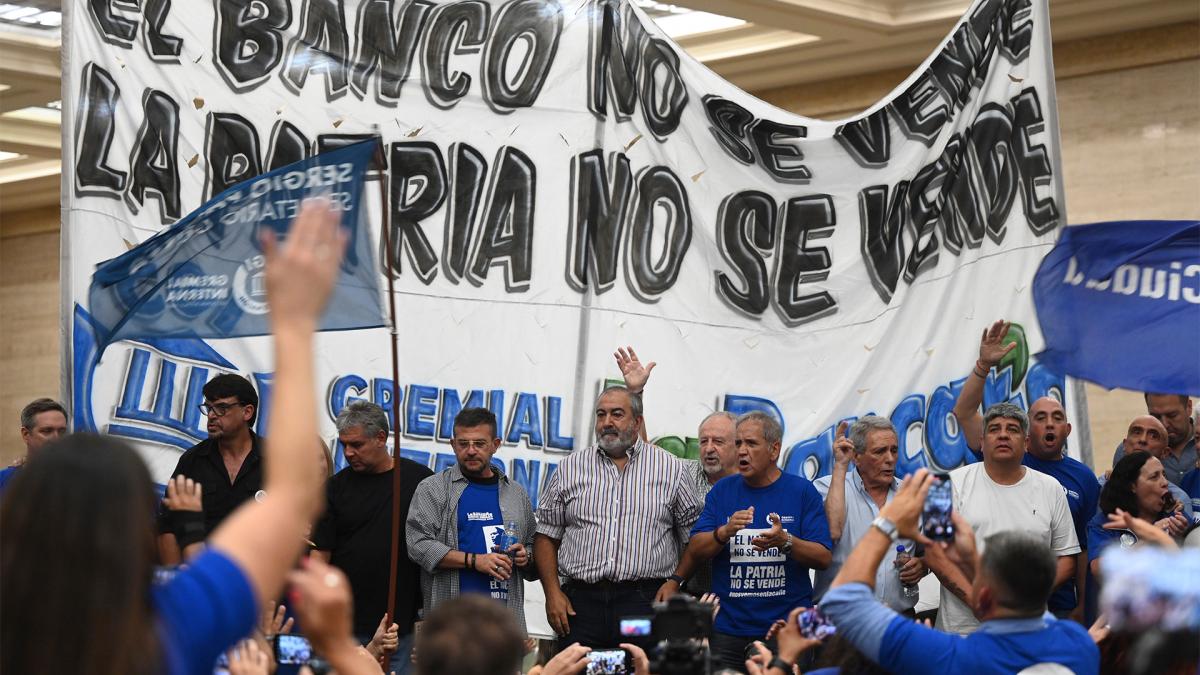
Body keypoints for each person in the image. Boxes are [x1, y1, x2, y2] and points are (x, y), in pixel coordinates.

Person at [0, 197, 345, 674]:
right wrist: (294, 323)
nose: (211, 416)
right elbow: (295, 497)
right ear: (131, 529)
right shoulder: (173, 622)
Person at [818, 469, 1099, 675]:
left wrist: (887, 522)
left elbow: (843, 600)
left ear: (984, 598)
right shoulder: (1081, 646)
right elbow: (1019, 603)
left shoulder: (952, 658)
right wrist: (970, 558)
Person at [657, 411, 832, 672]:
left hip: (785, 630)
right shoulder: (722, 491)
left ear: (774, 450)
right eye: (738, 443)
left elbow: (823, 558)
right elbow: (696, 549)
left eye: (751, 443)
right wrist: (723, 532)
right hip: (728, 630)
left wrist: (785, 541)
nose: (742, 451)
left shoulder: (802, 491)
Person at [534, 384, 702, 650]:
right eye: (601, 415)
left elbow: (694, 538)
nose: (606, 422)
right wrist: (552, 593)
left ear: (637, 422)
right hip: (580, 607)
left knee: (635, 667)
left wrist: (675, 581)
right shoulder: (570, 468)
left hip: (641, 604)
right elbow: (546, 535)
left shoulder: (671, 470)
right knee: (581, 669)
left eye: (616, 414)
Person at [952, 321, 1100, 620]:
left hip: (1047, 610)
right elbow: (934, 552)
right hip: (966, 621)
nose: (1003, 435)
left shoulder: (1071, 481)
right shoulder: (955, 479)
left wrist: (1082, 606)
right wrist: (982, 366)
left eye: (1056, 417)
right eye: (1040, 417)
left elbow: (1079, 553)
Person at [930, 402, 1080, 634]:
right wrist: (977, 601)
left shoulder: (1052, 487)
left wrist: (1023, 603)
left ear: (1027, 443)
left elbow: (1067, 558)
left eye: (1012, 429)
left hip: (1029, 628)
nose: (1002, 435)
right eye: (994, 429)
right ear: (981, 442)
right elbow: (932, 554)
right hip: (961, 633)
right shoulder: (940, 484)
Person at [312, 399, 433, 673]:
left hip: (400, 627)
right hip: (344, 629)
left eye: (356, 445)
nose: (348, 453)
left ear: (381, 438)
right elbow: (319, 559)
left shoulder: (420, 481)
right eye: (344, 445)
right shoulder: (334, 489)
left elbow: (436, 550)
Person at [407, 407, 537, 633]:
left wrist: (526, 556)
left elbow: (534, 548)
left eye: (479, 443)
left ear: (495, 444)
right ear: (452, 444)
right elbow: (418, 545)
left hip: (503, 629)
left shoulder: (516, 494)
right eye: (463, 443)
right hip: (449, 626)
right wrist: (475, 561)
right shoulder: (433, 489)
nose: (471, 451)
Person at [813, 416, 925, 614]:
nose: (890, 459)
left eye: (894, 450)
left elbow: (928, 553)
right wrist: (840, 466)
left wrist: (922, 566)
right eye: (880, 451)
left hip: (899, 622)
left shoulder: (912, 495)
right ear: (856, 457)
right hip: (841, 624)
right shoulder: (828, 487)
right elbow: (833, 530)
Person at [156, 373, 265, 564]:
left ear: (247, 412)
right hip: (199, 579)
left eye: (222, 408)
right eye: (209, 408)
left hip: (257, 583)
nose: (212, 415)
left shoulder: (275, 462)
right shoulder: (193, 461)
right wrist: (177, 581)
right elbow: (168, 527)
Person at [1085, 451, 1188, 623]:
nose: (1165, 483)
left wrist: (1184, 536)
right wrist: (1150, 537)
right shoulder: (1106, 522)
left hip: (1167, 627)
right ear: (1132, 486)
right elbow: (1101, 571)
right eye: (1154, 477)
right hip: (1117, 628)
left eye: (1164, 475)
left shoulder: (1175, 518)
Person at [1106, 416, 1194, 522]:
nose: (1142, 440)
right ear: (1125, 444)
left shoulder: (1179, 499)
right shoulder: (1101, 485)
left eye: (1153, 436)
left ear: (1165, 453)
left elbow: (1183, 538)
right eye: (1137, 432)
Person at [1112, 394, 1196, 485]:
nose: (1164, 424)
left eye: (1172, 415)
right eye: (1156, 416)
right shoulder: (1131, 450)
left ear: (1189, 407)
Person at [0, 397, 68, 490]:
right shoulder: (4, 481)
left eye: (62, 431)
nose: (56, 438)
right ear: (26, 434)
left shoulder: (82, 480)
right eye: (47, 431)